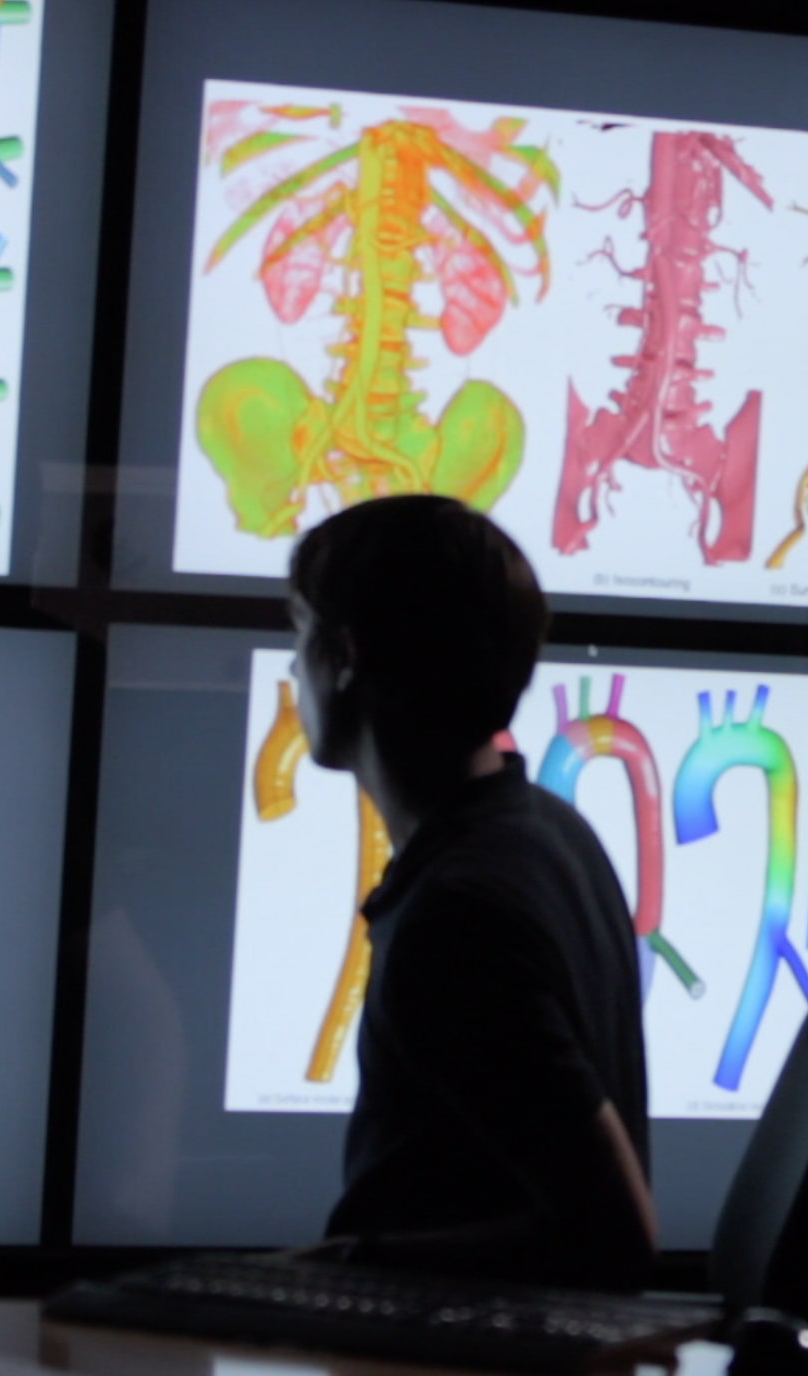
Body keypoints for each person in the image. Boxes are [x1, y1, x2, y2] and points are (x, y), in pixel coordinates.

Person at [287, 494, 657, 1291]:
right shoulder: (549, 832)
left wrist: (345, 1269)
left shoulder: (457, 917)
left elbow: (615, 1238)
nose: (291, 668)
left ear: (345, 656)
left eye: (297, 632)